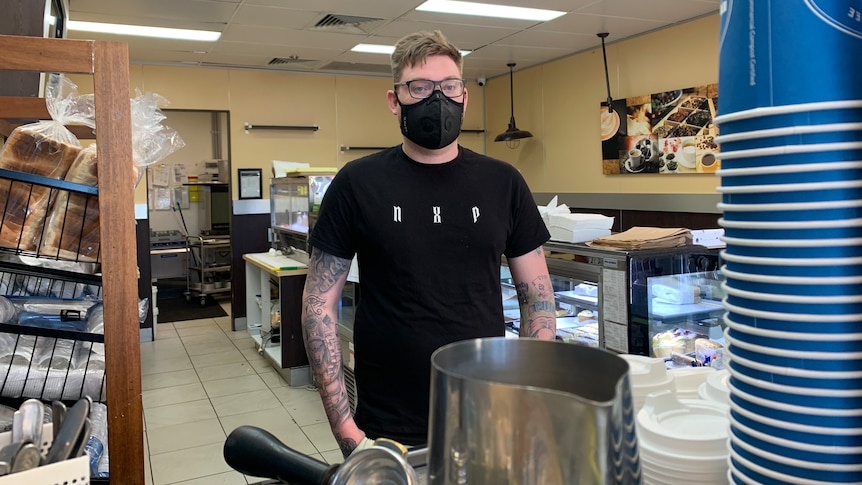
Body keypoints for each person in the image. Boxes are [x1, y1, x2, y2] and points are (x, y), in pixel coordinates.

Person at [300, 30, 556, 457]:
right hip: (388, 425)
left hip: (489, 413)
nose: (437, 99)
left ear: (464, 97)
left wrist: (530, 400)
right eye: (419, 87)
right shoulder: (357, 183)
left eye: (449, 86)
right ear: (394, 99)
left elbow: (539, 298)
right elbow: (317, 307)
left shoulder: (503, 182)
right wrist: (346, 430)